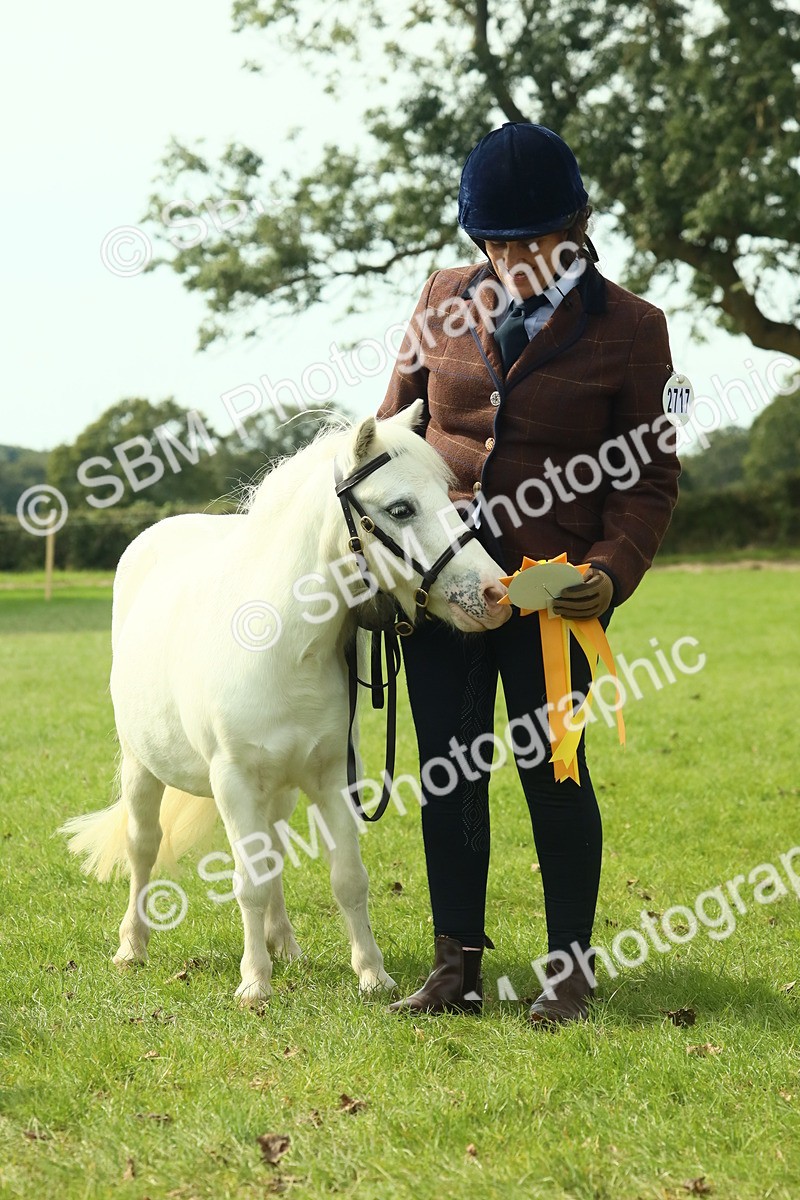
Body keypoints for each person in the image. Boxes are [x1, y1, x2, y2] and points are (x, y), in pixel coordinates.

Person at [376, 122, 681, 1025]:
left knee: (555, 773)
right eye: (494, 241)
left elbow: (647, 477)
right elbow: (390, 437)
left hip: (555, 596)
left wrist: (610, 572)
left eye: (530, 239)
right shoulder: (439, 300)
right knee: (447, 774)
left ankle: (569, 970)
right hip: (444, 586)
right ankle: (453, 967)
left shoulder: (633, 329)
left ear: (578, 224)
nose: (511, 258)